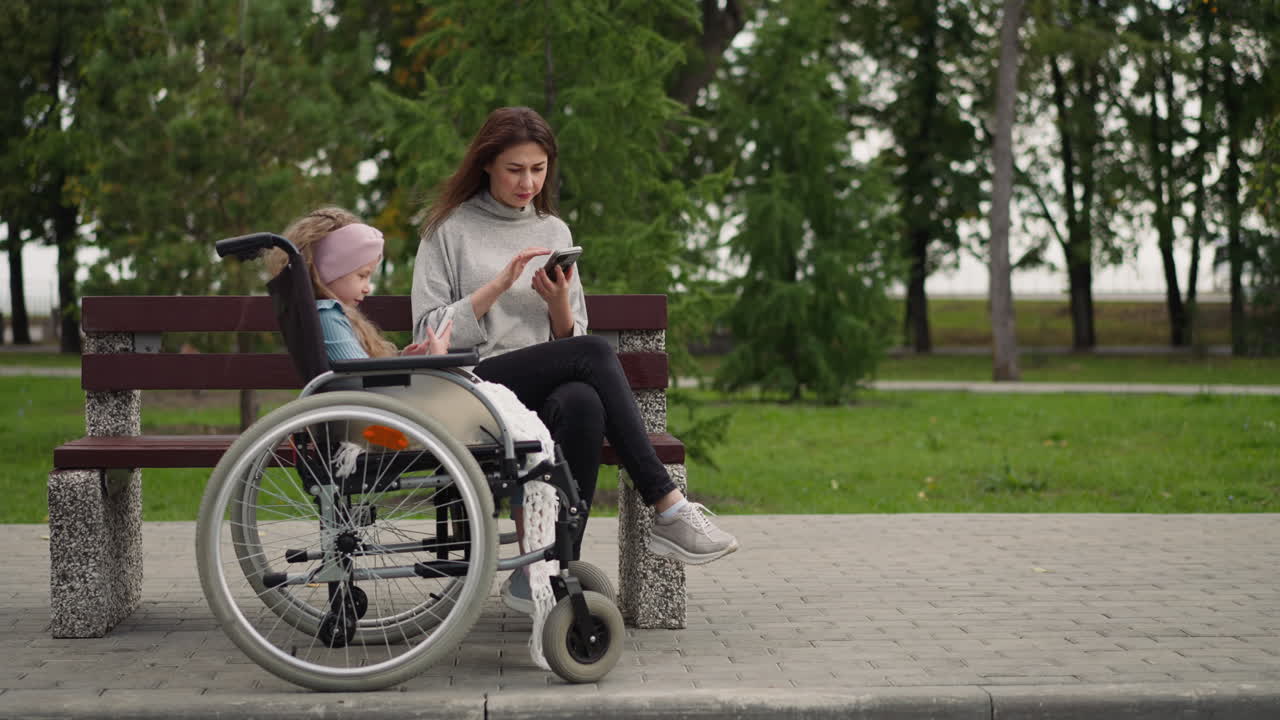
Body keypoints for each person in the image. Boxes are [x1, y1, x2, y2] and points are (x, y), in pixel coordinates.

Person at [410, 106, 738, 614]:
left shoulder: (554, 231)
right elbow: (427, 331)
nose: (528, 182)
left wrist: (558, 304)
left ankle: (545, 568)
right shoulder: (448, 231)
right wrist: (496, 287)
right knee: (595, 353)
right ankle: (666, 506)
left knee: (584, 400)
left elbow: (572, 338)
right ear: (486, 165)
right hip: (474, 387)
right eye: (515, 169)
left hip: (538, 389)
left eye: (538, 170)